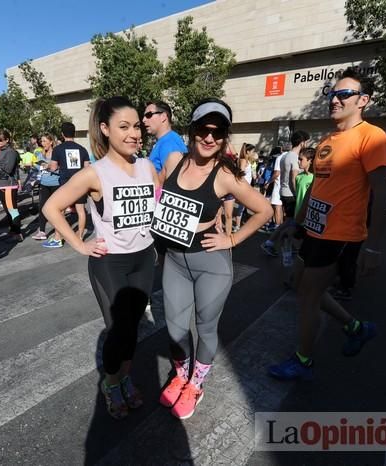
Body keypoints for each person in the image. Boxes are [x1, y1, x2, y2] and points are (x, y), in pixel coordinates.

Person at [267, 67, 386, 381]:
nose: (334, 99)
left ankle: (303, 361)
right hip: (315, 232)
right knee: (301, 285)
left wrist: (374, 247)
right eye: (332, 93)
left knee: (309, 296)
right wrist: (296, 223)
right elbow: (315, 189)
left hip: (341, 235)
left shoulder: (373, 137)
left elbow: (383, 192)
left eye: (344, 94)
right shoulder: (327, 140)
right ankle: (356, 328)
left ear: (363, 100)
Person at [154, 98, 271, 420]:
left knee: (206, 328)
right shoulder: (175, 160)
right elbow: (158, 195)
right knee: (176, 328)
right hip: (175, 261)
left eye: (218, 132)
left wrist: (231, 238)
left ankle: (196, 383)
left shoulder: (224, 176)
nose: (210, 138)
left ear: (224, 137)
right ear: (192, 131)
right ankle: (180, 375)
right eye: (204, 130)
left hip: (212, 265)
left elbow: (264, 210)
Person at [43, 97, 159, 419]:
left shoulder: (148, 167)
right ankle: (112, 383)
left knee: (133, 328)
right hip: (110, 263)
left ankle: (125, 377)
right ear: (105, 129)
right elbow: (51, 207)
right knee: (118, 331)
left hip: (143, 259)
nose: (134, 133)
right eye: (124, 127)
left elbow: (159, 207)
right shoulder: (95, 173)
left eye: (137, 126)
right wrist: (80, 245)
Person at [260, 131, 311, 256]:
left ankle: (281, 244)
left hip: (284, 192)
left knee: (288, 222)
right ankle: (273, 243)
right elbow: (294, 177)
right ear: (302, 142)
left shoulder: (285, 156)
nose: (307, 143)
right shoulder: (294, 157)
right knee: (290, 223)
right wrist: (297, 194)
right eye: (307, 141)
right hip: (290, 194)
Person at [45, 122, 91, 248]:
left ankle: (58, 238)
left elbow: (53, 168)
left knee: (59, 211)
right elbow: (87, 168)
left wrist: (48, 166)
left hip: (66, 184)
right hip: (81, 183)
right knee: (81, 211)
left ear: (62, 134)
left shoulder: (58, 149)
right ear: (74, 133)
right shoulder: (82, 149)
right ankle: (80, 236)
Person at [0, 130, 23, 240]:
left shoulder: (11, 152)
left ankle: (17, 233)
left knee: (12, 210)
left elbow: (8, 169)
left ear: (7, 140)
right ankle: (12, 230)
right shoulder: (1, 151)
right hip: (2, 185)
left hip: (10, 185)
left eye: (0, 140)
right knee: (7, 210)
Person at [142, 101, 187, 174]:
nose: (143, 120)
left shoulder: (169, 143)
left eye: (149, 115)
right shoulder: (165, 141)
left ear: (163, 117)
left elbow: (172, 181)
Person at [32, 133, 59, 240]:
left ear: (51, 142)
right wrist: (38, 166)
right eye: (42, 141)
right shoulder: (41, 154)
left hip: (56, 183)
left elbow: (60, 167)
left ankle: (60, 230)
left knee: (56, 209)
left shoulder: (56, 153)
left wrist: (50, 167)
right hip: (44, 183)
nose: (43, 144)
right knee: (42, 207)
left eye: (45, 141)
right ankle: (42, 231)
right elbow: (38, 167)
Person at [232, 143, 257, 232]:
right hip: (243, 187)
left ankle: (237, 226)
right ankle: (237, 226)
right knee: (241, 207)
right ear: (247, 151)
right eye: (253, 151)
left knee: (241, 207)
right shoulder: (243, 160)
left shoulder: (248, 160)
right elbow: (241, 174)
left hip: (246, 187)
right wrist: (244, 186)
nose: (254, 153)